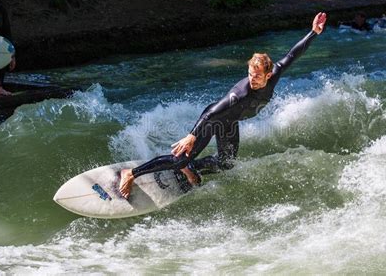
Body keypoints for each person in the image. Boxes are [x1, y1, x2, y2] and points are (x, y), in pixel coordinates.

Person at [118, 12, 327, 199]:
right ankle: (132, 174)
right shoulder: (240, 94)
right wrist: (192, 135)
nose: (252, 80)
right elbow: (211, 112)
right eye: (250, 75)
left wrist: (313, 32)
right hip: (212, 121)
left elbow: (293, 54)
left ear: (268, 74)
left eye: (256, 77)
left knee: (226, 163)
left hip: (230, 122)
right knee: (178, 160)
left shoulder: (275, 73)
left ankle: (190, 168)